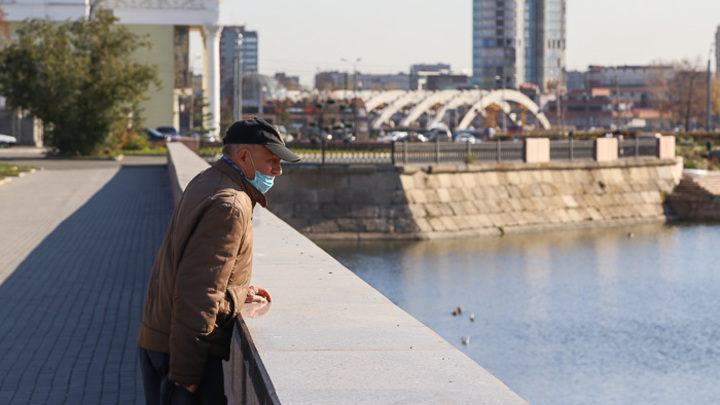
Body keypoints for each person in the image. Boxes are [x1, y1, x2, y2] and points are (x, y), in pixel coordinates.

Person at [137, 117, 301, 404]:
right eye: (272, 160)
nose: (279, 170)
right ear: (244, 156)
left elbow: (196, 266)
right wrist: (187, 375)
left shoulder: (208, 180)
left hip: (161, 339)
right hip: (182, 355)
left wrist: (238, 291)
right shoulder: (230, 204)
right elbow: (199, 292)